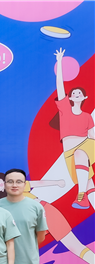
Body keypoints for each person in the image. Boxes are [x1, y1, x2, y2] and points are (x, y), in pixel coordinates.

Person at [54, 48, 95, 209]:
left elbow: (92, 135)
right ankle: (85, 198)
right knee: (88, 182)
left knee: (80, 153)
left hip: (86, 145)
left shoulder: (87, 116)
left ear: (84, 97)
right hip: (69, 152)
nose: (77, 94)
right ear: (70, 98)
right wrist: (59, 62)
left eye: (80, 93)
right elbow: (60, 85)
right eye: (74, 93)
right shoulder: (64, 109)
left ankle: (80, 195)